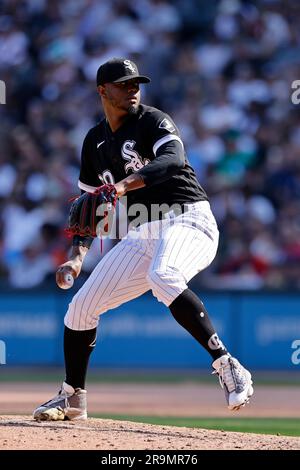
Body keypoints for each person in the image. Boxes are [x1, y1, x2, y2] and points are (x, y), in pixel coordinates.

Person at [33, 58, 253, 421]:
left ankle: (228, 365)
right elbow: (89, 209)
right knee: (81, 308)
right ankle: (72, 398)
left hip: (188, 218)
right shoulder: (94, 141)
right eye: (124, 84)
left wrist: (119, 187)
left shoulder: (153, 120)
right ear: (103, 91)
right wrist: (77, 256)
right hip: (142, 232)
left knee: (163, 276)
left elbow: (174, 158)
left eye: (136, 83)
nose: (134, 89)